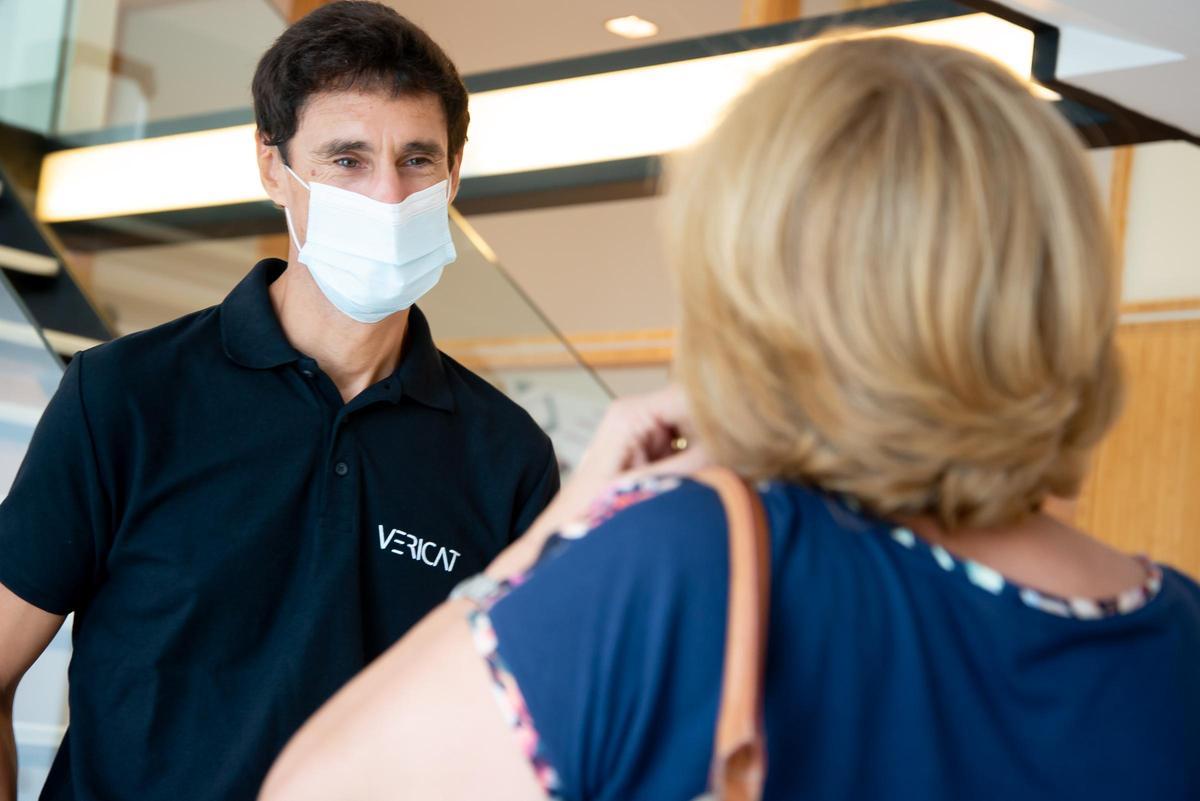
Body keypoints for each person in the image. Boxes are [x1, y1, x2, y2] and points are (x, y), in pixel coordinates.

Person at [259, 34, 1200, 801]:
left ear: (754, 281)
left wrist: (548, 545)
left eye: (416, 160)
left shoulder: (687, 558)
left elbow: (314, 787)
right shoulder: (1180, 631)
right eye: (349, 160)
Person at [0, 3, 558, 799]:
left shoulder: (505, 457)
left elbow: (510, 738)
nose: (388, 195)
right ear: (272, 168)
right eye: (347, 159)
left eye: (418, 159)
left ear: (454, 173)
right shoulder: (123, 397)